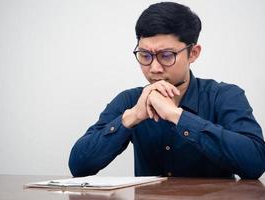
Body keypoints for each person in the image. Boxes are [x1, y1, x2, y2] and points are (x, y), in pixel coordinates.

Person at [69, 2, 265, 179]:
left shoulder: (224, 96)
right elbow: (79, 166)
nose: (154, 68)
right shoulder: (130, 100)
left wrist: (177, 116)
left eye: (166, 55)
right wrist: (133, 116)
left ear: (193, 53)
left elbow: (255, 162)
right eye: (145, 55)